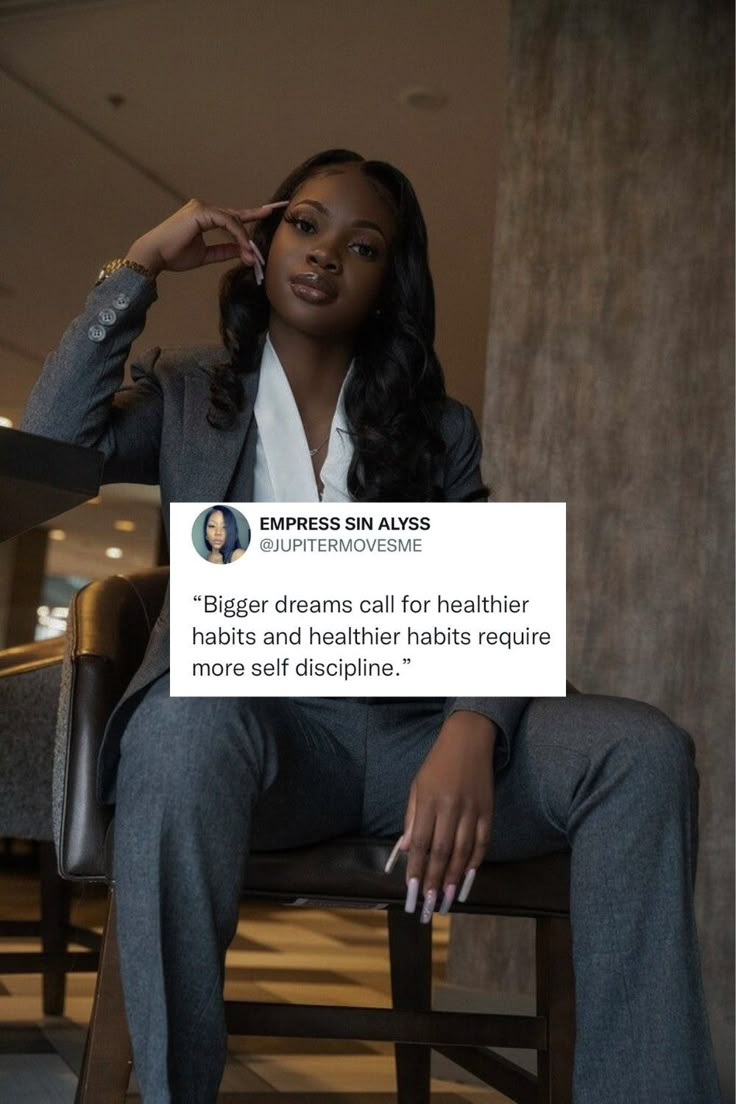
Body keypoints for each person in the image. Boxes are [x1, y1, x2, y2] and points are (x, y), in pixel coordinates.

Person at [22, 149, 720, 1103]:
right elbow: (58, 444)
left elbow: (488, 597)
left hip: (414, 745)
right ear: (262, 245)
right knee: (182, 727)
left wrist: (474, 727)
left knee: (641, 753)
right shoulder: (196, 395)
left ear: (392, 280)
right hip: (258, 742)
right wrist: (139, 265)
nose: (323, 256)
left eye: (363, 245)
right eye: (304, 225)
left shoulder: (439, 429)